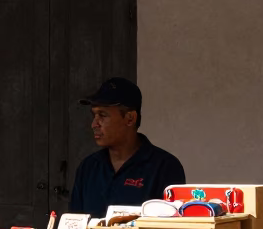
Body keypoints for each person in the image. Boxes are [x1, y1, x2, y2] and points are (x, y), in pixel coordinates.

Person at [69, 77, 185, 216]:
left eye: (103, 115)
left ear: (130, 118)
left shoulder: (165, 167)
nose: (94, 124)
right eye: (94, 115)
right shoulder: (88, 167)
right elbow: (75, 225)